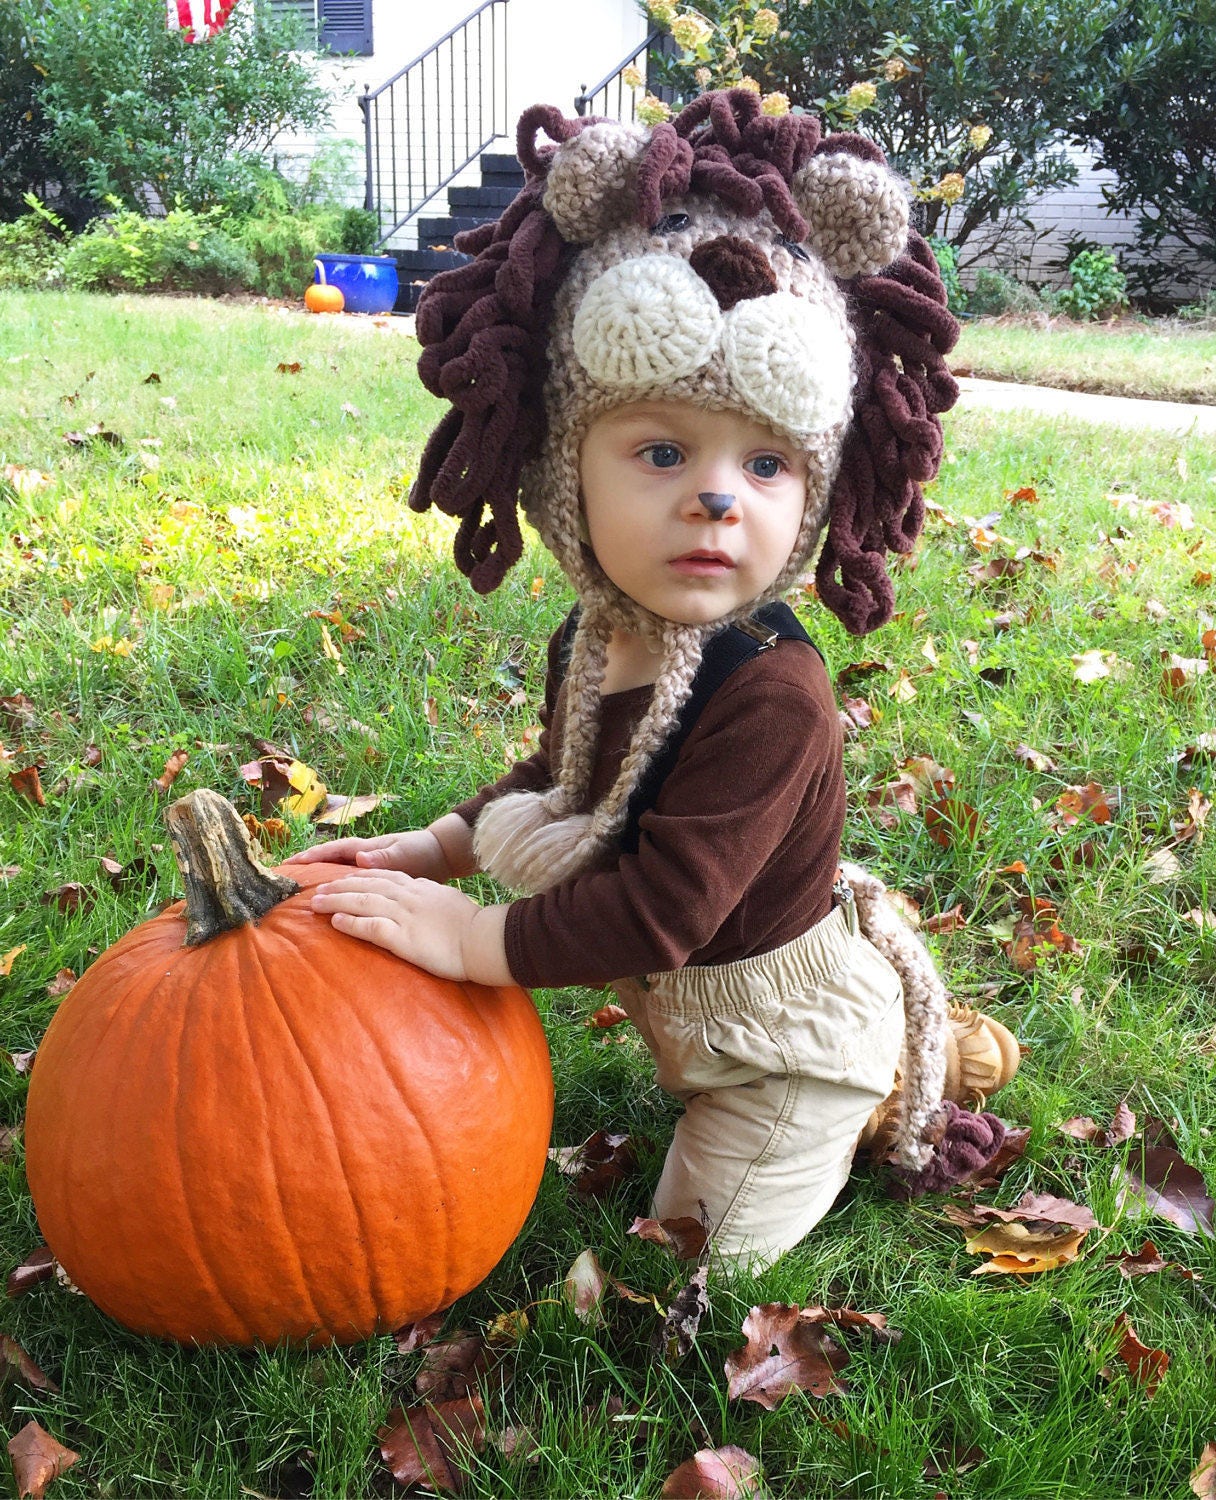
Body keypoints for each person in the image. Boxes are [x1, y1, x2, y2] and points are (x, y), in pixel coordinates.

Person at [291, 89, 1019, 1268]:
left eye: (768, 463)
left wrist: (471, 941)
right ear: (560, 468)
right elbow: (560, 780)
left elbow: (660, 912)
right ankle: (913, 1052)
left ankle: (867, 1085)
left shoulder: (775, 697)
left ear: (814, 500)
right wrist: (431, 850)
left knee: (681, 1254)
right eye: (663, 451)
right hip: (700, 1023)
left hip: (777, 1047)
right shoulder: (595, 637)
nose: (717, 496)